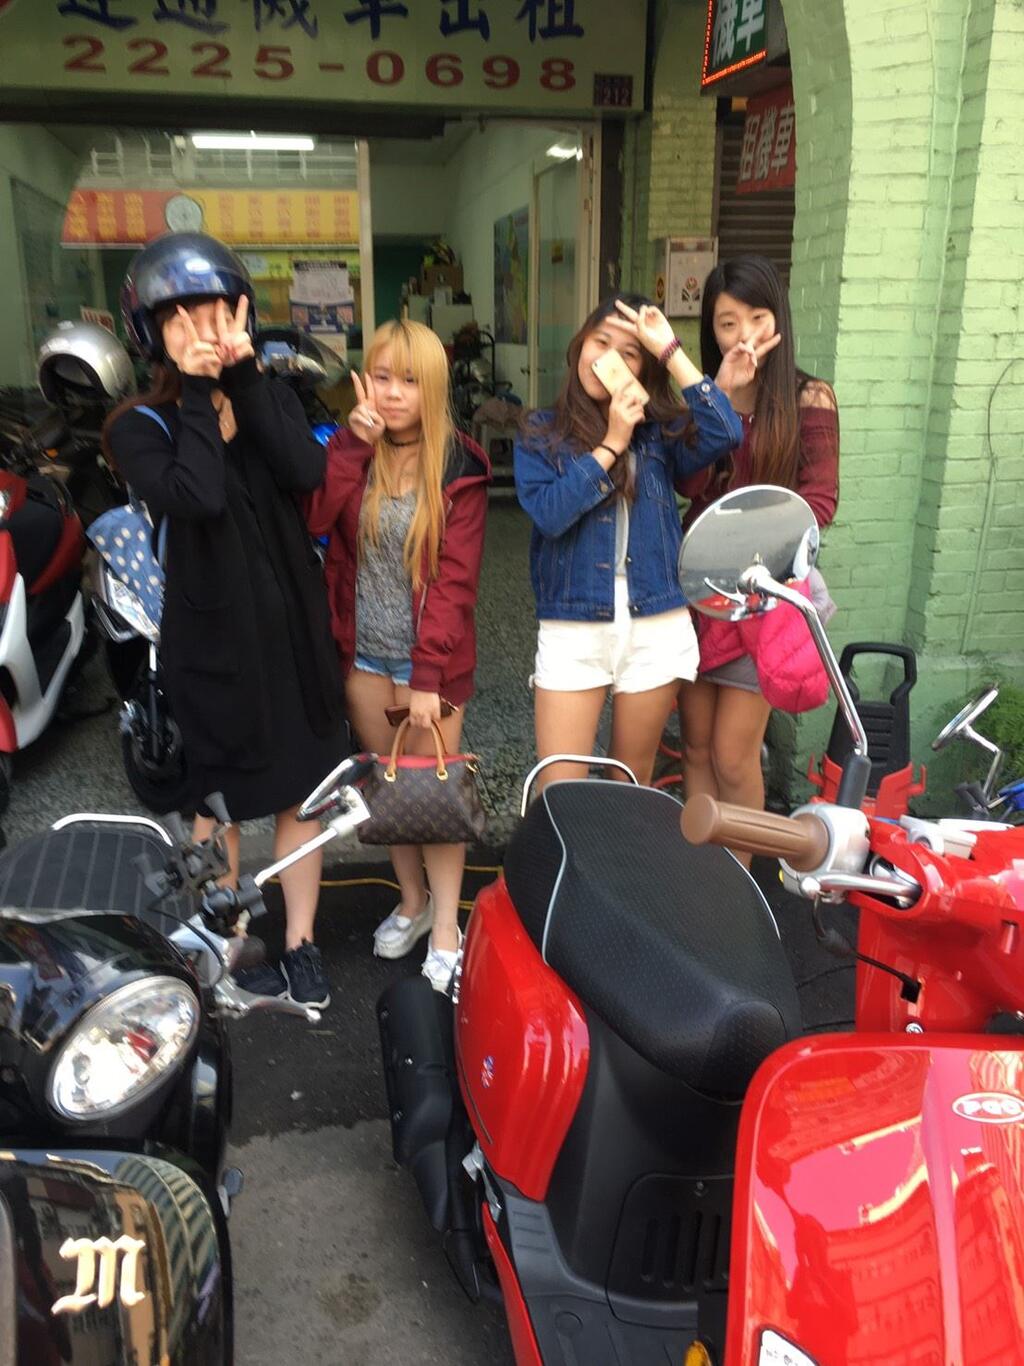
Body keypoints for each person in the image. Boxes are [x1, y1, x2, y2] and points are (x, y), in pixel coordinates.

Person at [104, 231, 348, 1009]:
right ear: (151, 334)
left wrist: (242, 375)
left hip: (294, 637)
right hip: (211, 650)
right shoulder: (138, 428)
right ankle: (226, 937)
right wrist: (200, 394)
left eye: (215, 312)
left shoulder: (264, 391)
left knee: (303, 793)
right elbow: (197, 495)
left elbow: (307, 471)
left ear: (240, 315)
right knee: (218, 807)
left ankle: (301, 941)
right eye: (180, 318)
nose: (202, 329)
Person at [306, 320, 490, 993]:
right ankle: (411, 904)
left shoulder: (462, 465)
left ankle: (446, 928)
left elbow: (454, 582)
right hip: (364, 654)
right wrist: (354, 444)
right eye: (381, 376)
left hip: (429, 667)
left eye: (409, 380)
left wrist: (428, 675)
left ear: (433, 386)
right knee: (389, 794)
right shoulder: (348, 448)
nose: (391, 392)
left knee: (432, 794)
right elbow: (314, 520)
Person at [514, 294, 744, 788]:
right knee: (559, 784)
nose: (608, 359)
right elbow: (550, 514)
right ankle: (561, 847)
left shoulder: (658, 432)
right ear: (579, 346)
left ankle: (618, 849)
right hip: (575, 620)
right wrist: (612, 442)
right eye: (600, 342)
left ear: (643, 369)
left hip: (655, 620)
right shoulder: (540, 431)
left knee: (631, 779)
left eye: (629, 352)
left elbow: (725, 431)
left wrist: (669, 349)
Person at [679, 254, 840, 853]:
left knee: (732, 753)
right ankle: (701, 869)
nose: (742, 335)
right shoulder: (703, 395)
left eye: (756, 318)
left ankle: (738, 879)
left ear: (779, 318)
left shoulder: (808, 396)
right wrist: (717, 397)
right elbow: (688, 484)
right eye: (727, 323)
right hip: (699, 588)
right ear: (712, 330)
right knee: (695, 747)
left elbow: (819, 501)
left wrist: (757, 552)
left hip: (764, 594)